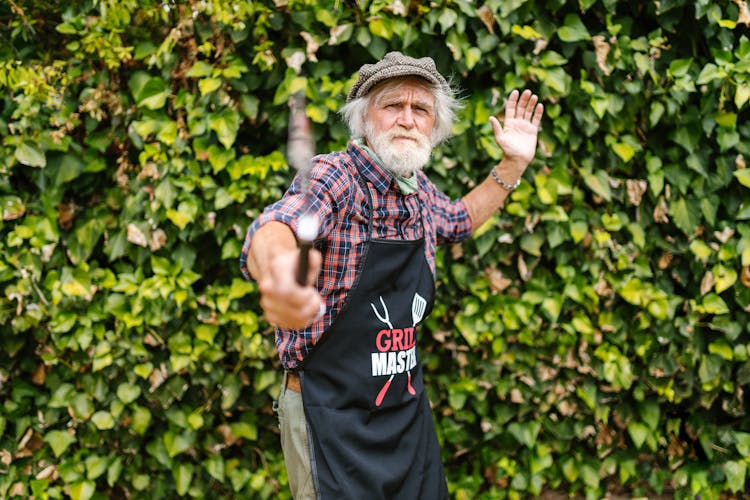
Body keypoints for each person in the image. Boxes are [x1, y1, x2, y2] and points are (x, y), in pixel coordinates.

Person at [240, 51, 544, 499]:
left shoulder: (418, 192)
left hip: (403, 411)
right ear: (364, 121)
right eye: (392, 106)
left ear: (434, 127)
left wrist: (513, 165)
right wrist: (278, 271)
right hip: (330, 415)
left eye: (420, 109)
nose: (407, 119)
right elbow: (276, 226)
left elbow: (459, 220)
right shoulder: (336, 176)